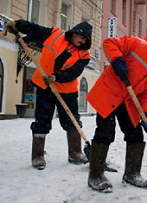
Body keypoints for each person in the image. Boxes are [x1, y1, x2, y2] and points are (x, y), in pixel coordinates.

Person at [86, 35, 147, 192]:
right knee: (105, 132)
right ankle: (95, 175)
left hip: (129, 102)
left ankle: (132, 173)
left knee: (136, 135)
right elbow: (109, 42)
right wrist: (117, 60)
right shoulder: (138, 45)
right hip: (109, 93)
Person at [6, 20, 92, 170]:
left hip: (67, 90)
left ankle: (75, 153)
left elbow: (74, 72)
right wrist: (17, 25)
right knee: (42, 120)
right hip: (44, 87)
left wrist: (56, 77)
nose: (83, 41)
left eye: (85, 40)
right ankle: (37, 156)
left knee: (72, 121)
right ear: (75, 33)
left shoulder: (84, 54)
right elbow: (35, 29)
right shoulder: (55, 35)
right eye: (82, 37)